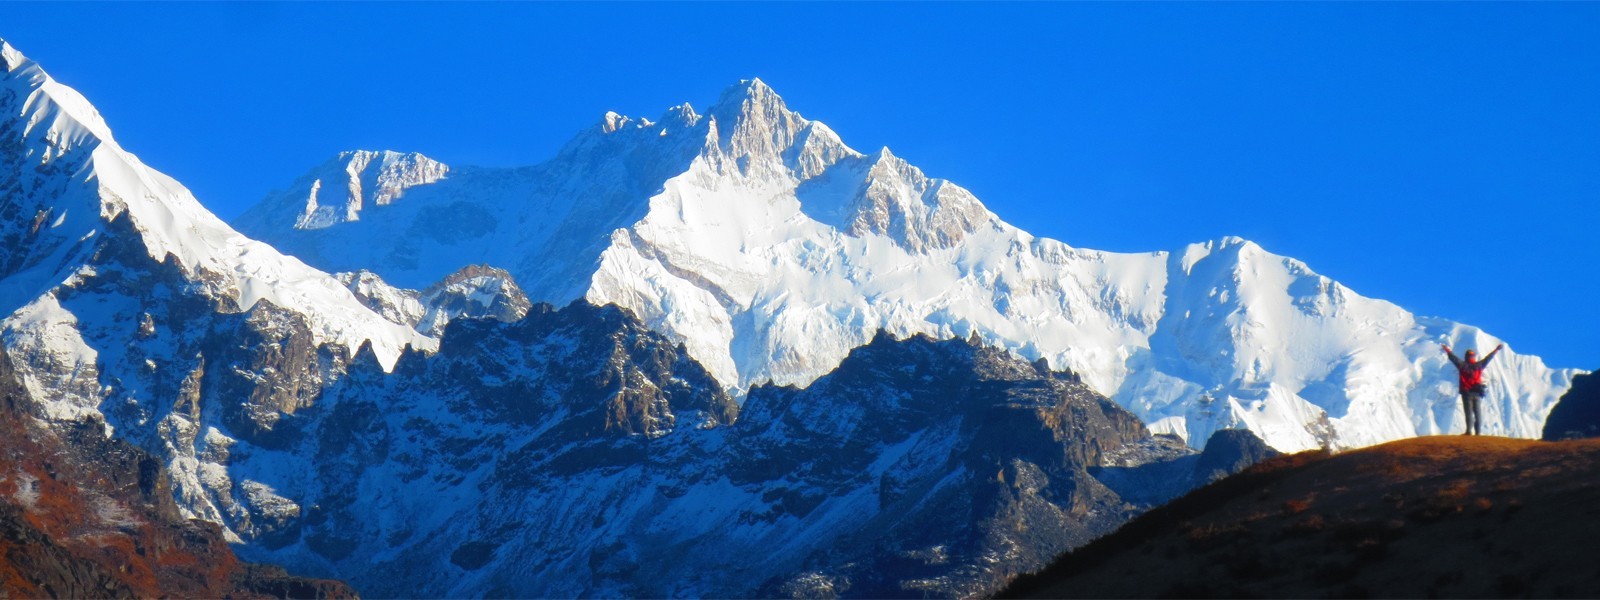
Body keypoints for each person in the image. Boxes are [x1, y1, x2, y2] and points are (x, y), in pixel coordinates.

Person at [1441, 342, 1503, 436]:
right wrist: (1496, 350)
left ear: (1466, 357)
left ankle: (1469, 431)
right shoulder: (1479, 365)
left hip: (1466, 392)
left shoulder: (1462, 365)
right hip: (1477, 392)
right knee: (1478, 413)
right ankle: (1478, 432)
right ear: (1474, 357)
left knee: (1468, 413)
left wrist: (1447, 350)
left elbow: (1454, 358)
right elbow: (1488, 358)